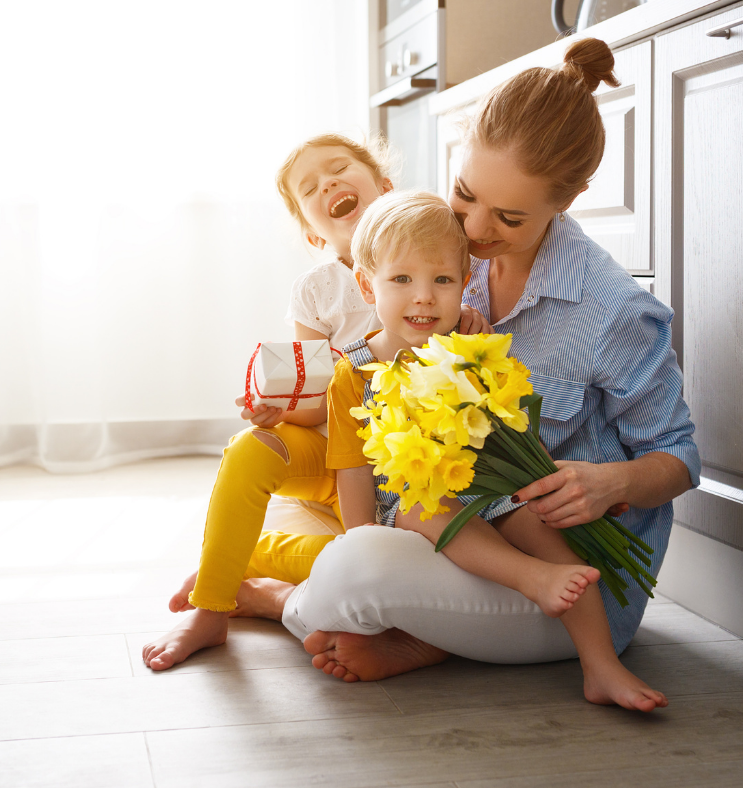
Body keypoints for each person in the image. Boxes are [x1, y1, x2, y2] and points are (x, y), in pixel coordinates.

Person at [236, 39, 700, 713]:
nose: (477, 232)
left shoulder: (611, 309)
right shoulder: (443, 252)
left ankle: (301, 605)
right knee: (341, 535)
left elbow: (680, 456)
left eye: (509, 218)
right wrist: (285, 404)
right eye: (464, 196)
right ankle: (410, 634)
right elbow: (367, 352)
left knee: (349, 570)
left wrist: (615, 482)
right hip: (460, 530)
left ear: (571, 199)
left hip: (573, 575)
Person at [142, 133, 487, 671]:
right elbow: (317, 393)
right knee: (250, 447)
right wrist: (280, 409)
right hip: (334, 458)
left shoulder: (438, 256)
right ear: (310, 229)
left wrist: (468, 322)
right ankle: (211, 608)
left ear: (385, 188)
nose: (327, 182)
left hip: (413, 474)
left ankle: (248, 565)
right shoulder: (316, 291)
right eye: (310, 187)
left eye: (339, 167)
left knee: (382, 556)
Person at [328, 189, 601, 623]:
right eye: (401, 280)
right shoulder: (354, 373)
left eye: (442, 280)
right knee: (425, 507)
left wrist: (545, 482)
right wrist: (361, 545)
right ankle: (532, 577)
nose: (424, 297)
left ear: (465, 282)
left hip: (489, 493)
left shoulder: (471, 349)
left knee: (545, 528)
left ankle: (601, 661)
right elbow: (353, 472)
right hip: (411, 511)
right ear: (366, 285)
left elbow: (513, 429)